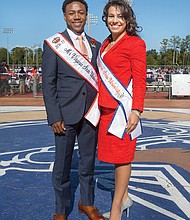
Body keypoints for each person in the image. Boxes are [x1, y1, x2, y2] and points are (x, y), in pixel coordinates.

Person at [42, 1, 104, 220]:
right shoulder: (53, 43)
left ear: (87, 15)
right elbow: (48, 83)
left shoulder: (96, 44)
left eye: (81, 12)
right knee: (62, 165)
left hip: (91, 114)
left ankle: (86, 203)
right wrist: (54, 116)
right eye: (72, 13)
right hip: (65, 115)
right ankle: (61, 209)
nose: (76, 17)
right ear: (64, 16)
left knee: (88, 162)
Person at [97, 0, 146, 219]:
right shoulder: (105, 43)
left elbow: (140, 78)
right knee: (115, 157)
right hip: (105, 111)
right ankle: (124, 197)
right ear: (105, 18)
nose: (115, 20)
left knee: (123, 157)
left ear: (128, 20)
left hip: (123, 112)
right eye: (111, 16)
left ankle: (117, 208)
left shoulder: (135, 43)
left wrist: (136, 110)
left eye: (120, 16)